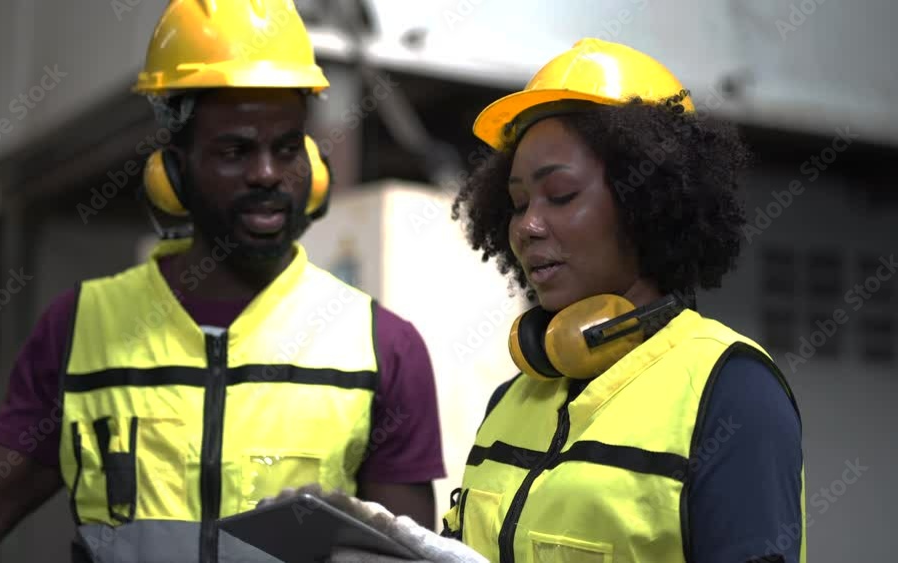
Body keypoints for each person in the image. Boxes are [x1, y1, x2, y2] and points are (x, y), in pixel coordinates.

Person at [0, 2, 445, 562]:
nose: (266, 173)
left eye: (286, 148)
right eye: (234, 150)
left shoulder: (383, 348)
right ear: (174, 171)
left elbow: (405, 558)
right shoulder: (80, 330)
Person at [291, 37, 805, 563]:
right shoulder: (512, 400)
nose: (528, 226)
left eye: (560, 195)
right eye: (518, 203)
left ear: (647, 201)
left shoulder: (733, 391)